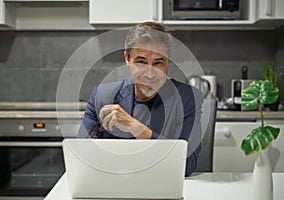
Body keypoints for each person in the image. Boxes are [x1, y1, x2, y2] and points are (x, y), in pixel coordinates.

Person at [78, 22, 203, 176]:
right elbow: (82, 158)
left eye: (158, 62)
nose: (150, 74)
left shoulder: (188, 99)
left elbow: (187, 165)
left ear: (168, 61)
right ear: (127, 59)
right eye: (141, 62)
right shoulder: (102, 97)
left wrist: (136, 128)